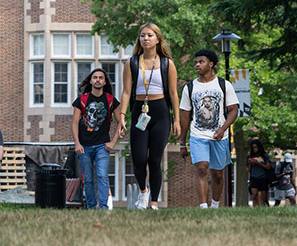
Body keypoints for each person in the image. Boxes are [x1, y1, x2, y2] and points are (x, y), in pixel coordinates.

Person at [116, 22, 180, 210]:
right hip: (139, 111)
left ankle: (153, 202)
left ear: (158, 39)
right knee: (138, 158)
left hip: (160, 112)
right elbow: (126, 92)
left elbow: (174, 93)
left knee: (155, 159)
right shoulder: (132, 62)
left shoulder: (168, 63)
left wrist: (176, 120)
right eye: (142, 35)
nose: (145, 38)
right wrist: (121, 116)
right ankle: (143, 192)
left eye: (150, 35)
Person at [178, 48, 239, 208]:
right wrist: (182, 143)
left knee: (218, 175)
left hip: (219, 137)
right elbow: (184, 116)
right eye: (196, 62)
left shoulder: (223, 85)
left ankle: (215, 204)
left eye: (201, 62)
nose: (197, 65)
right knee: (202, 168)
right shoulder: (189, 88)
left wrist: (223, 129)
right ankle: (203, 207)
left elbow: (234, 110)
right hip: (198, 136)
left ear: (211, 64)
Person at [72, 68, 121, 210]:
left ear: (105, 81)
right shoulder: (82, 100)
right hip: (84, 146)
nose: (98, 80)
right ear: (91, 80)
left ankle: (104, 208)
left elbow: (120, 122)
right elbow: (74, 123)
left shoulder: (111, 100)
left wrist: (113, 142)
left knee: (102, 176)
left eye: (101, 77)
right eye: (95, 77)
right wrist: (77, 143)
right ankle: (92, 207)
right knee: (87, 179)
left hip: (102, 146)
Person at [246, 138, 273, 206]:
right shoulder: (250, 156)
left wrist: (258, 163)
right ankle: (254, 209)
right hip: (254, 177)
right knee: (254, 195)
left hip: (263, 177)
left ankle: (264, 206)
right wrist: (250, 163)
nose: (255, 149)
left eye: (256, 147)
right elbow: (248, 170)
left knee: (263, 197)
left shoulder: (264, 156)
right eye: (253, 148)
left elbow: (268, 167)